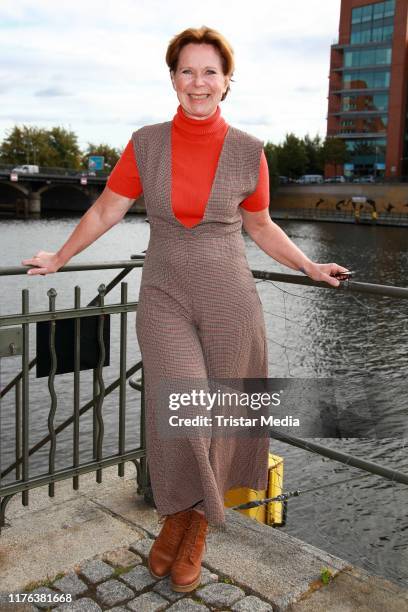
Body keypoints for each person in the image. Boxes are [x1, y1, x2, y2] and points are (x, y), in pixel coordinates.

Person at [22, 26, 348, 593]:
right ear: (173, 77)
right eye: (187, 71)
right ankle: (186, 515)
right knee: (176, 400)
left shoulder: (250, 150)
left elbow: (262, 225)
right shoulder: (146, 143)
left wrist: (310, 267)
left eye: (210, 72)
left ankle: (187, 526)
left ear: (227, 83)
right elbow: (106, 209)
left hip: (229, 294)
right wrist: (60, 255)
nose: (198, 82)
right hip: (166, 291)